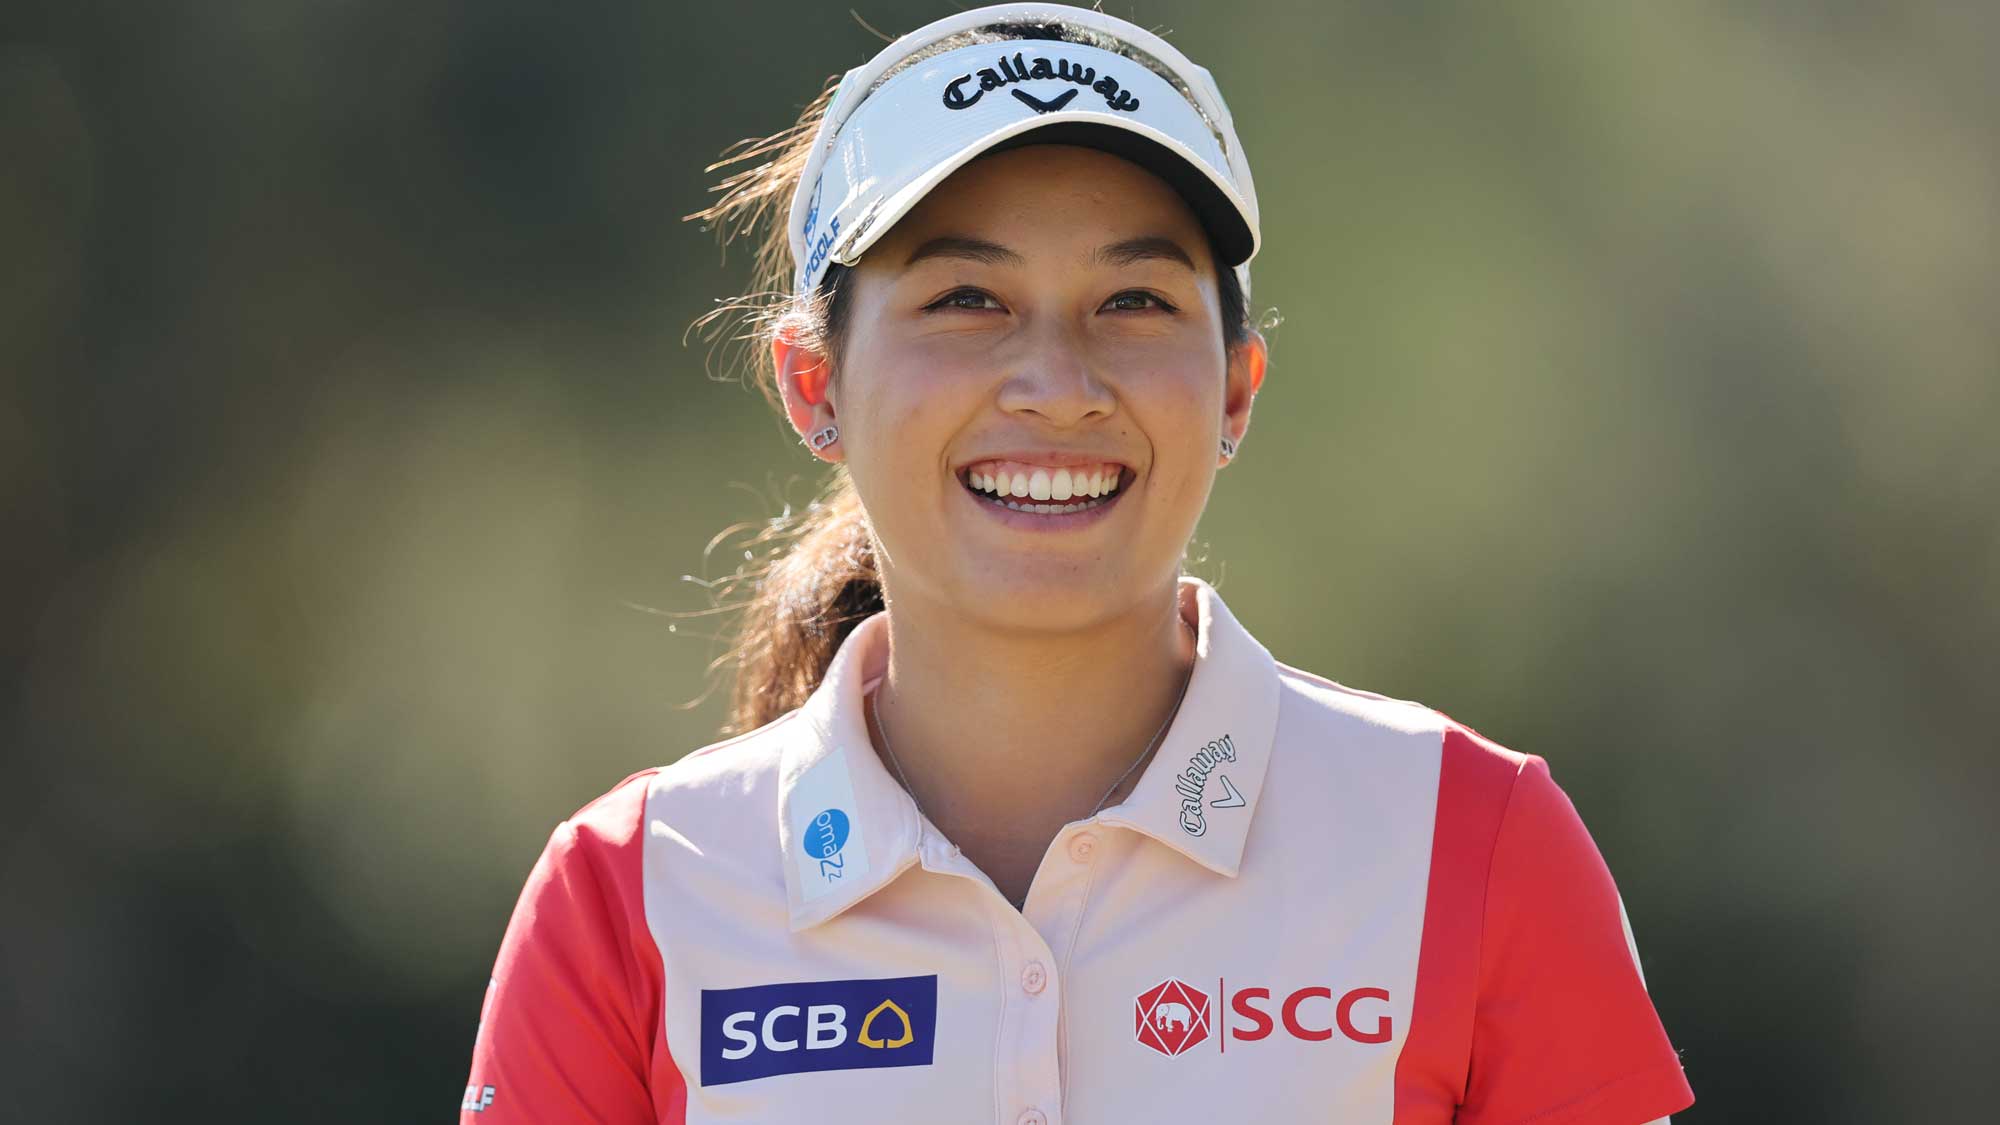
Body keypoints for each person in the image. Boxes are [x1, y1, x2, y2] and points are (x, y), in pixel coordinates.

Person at [457, 4, 1695, 1122]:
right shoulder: (628, 897)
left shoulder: (1468, 844)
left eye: (1135, 303)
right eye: (963, 301)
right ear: (811, 383)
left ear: (1235, 390)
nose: (1056, 387)